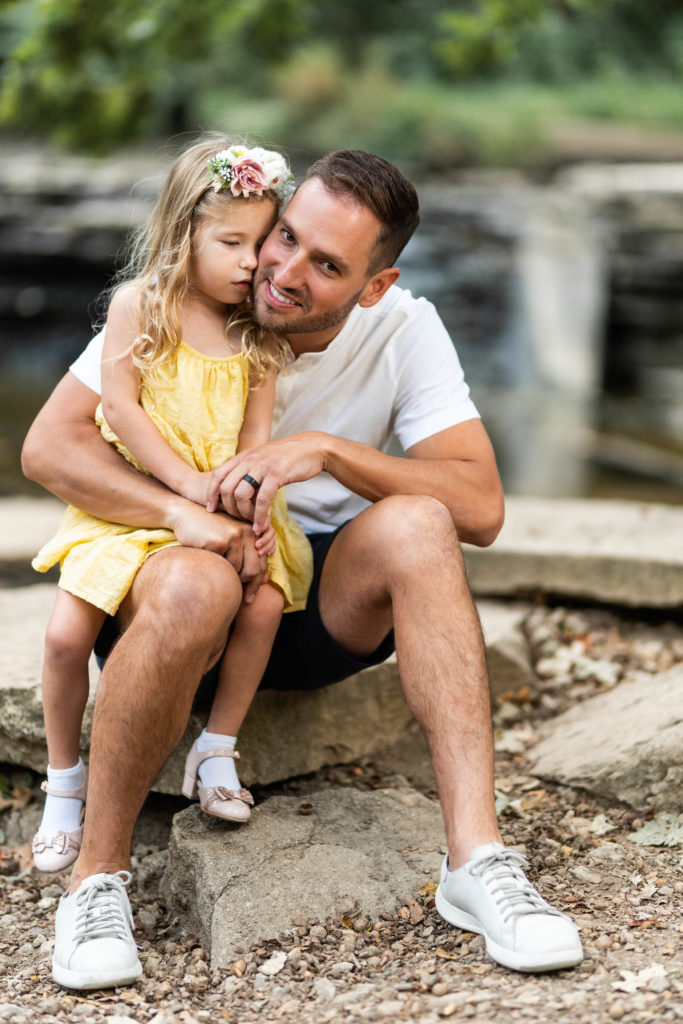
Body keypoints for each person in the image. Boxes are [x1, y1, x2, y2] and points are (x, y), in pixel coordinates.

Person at [22, 148, 583, 990]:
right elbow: (47, 446)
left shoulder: (405, 330)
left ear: (374, 286)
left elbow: (481, 508)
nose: (279, 270)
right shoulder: (192, 293)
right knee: (192, 579)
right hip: (178, 593)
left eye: (325, 264)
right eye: (284, 236)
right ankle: (95, 881)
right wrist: (181, 514)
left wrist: (323, 452)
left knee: (421, 524)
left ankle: (477, 862)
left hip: (310, 601)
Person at [29, 138, 312, 887]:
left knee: (262, 604)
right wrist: (186, 487)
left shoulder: (255, 338)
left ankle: (217, 746)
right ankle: (64, 780)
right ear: (181, 231)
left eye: (262, 242)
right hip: (140, 506)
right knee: (63, 637)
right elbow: (118, 406)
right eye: (232, 243)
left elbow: (256, 444)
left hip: (224, 506)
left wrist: (252, 514)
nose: (253, 262)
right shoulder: (139, 308)